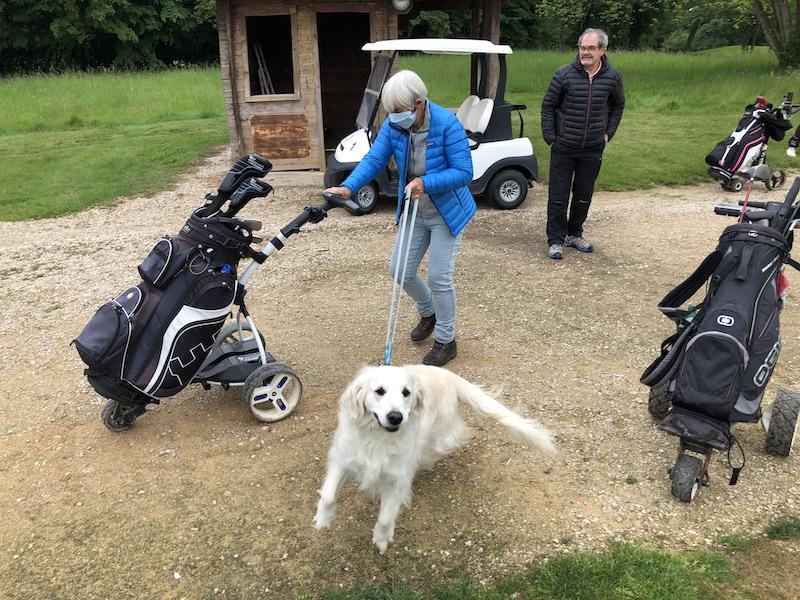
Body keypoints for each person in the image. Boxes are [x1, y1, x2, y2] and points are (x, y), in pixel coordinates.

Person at [325, 70, 474, 367]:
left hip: (447, 213)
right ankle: (428, 311)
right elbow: (374, 159)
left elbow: (464, 172)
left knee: (439, 277)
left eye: (398, 111)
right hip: (415, 210)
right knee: (399, 271)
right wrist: (349, 186)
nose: (394, 118)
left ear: (418, 104)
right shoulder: (395, 126)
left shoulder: (447, 125)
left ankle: (446, 340)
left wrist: (425, 182)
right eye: (390, 112)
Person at [540, 28, 625, 260]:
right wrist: (551, 137)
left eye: (590, 48)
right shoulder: (563, 74)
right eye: (582, 48)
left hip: (593, 148)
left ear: (602, 50)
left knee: (583, 194)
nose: (585, 52)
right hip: (564, 146)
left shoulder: (612, 77)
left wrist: (608, 133)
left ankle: (574, 234)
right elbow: (548, 106)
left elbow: (618, 106)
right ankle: (556, 239)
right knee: (558, 196)